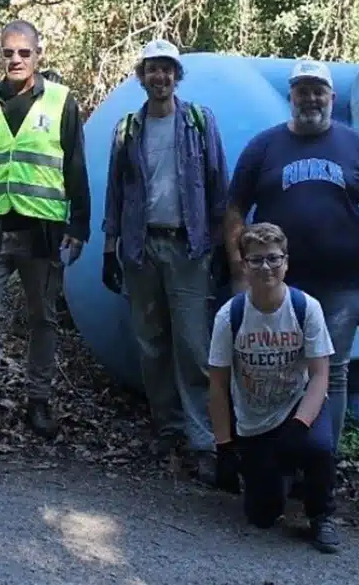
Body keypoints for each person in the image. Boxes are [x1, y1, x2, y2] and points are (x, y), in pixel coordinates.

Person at [224, 60, 359, 452]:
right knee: (273, 370)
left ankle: (320, 466)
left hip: (341, 287)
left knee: (331, 374)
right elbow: (235, 208)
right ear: (291, 97)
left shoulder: (358, 147)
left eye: (318, 91)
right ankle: (274, 462)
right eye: (302, 90)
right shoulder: (263, 146)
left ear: (332, 98)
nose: (311, 98)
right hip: (275, 286)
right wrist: (239, 265)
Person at [0, 20, 91, 438]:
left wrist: (78, 223)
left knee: (43, 317)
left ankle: (39, 401)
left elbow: (76, 165)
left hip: (43, 230)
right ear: (0, 54)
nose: (16, 60)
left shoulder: (62, 102)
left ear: (37, 55)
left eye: (24, 53)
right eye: (8, 52)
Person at [101, 39, 230, 478]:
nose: (160, 77)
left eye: (167, 69)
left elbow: (218, 187)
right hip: (140, 247)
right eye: (152, 70)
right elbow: (115, 192)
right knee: (150, 342)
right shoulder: (128, 129)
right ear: (141, 77)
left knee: (193, 346)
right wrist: (109, 248)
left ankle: (202, 439)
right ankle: (168, 428)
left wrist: (221, 248)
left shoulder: (198, 122)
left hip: (188, 247)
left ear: (177, 76)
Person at [209, 222, 340, 553]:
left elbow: (321, 376)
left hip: (297, 406)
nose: (265, 267)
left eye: (273, 258)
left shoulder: (306, 308)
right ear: (244, 265)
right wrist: (224, 445)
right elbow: (218, 382)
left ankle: (322, 514)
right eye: (256, 260)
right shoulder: (231, 315)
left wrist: (300, 425)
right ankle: (278, 475)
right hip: (255, 419)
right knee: (262, 516)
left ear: (286, 262)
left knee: (319, 448)